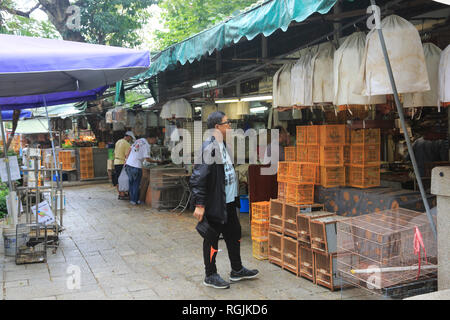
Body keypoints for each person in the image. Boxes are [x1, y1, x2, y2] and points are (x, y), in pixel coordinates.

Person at [190, 111, 259, 289]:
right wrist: (199, 204)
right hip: (216, 204)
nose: (230, 126)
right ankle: (210, 275)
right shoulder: (209, 148)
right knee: (211, 239)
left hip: (229, 201)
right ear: (217, 127)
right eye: (227, 123)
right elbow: (198, 178)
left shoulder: (224, 146)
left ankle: (236, 269)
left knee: (234, 234)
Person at [124, 131, 161, 205]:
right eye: (155, 139)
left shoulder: (138, 140)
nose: (155, 141)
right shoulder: (146, 145)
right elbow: (147, 159)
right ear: (151, 138)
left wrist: (127, 159)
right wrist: (157, 161)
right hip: (136, 166)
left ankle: (132, 200)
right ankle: (135, 201)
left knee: (131, 183)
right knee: (136, 184)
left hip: (128, 165)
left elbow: (129, 150)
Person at [114, 131, 135, 200]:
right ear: (128, 137)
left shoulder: (118, 141)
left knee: (118, 178)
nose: (130, 139)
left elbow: (114, 152)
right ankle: (123, 195)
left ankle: (120, 193)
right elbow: (127, 155)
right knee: (122, 179)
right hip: (122, 162)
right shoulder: (127, 144)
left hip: (116, 162)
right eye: (130, 138)